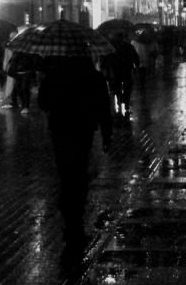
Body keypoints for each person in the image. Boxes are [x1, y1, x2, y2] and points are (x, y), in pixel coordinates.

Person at [37, 54, 113, 252]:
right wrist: (107, 134)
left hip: (60, 130)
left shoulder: (54, 75)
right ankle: (76, 219)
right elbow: (104, 106)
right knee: (80, 172)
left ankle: (68, 219)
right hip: (83, 129)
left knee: (65, 173)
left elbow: (43, 103)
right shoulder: (94, 77)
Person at [108, 33, 140, 119]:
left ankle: (118, 104)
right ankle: (125, 103)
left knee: (116, 89)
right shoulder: (129, 47)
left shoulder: (111, 47)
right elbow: (136, 58)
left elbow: (109, 59)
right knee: (127, 88)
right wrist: (136, 67)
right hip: (126, 71)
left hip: (116, 71)